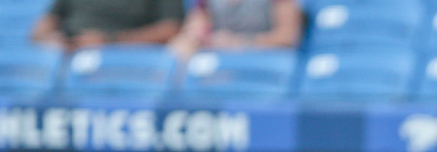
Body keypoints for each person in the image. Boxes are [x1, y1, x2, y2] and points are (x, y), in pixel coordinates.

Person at [168, 0, 303, 61]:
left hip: (265, 63)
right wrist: (192, 39)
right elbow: (196, 26)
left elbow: (287, 37)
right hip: (222, 65)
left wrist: (241, 43)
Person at [30, 0, 183, 49]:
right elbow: (41, 29)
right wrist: (54, 41)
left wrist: (109, 41)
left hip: (122, 61)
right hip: (68, 52)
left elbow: (170, 29)